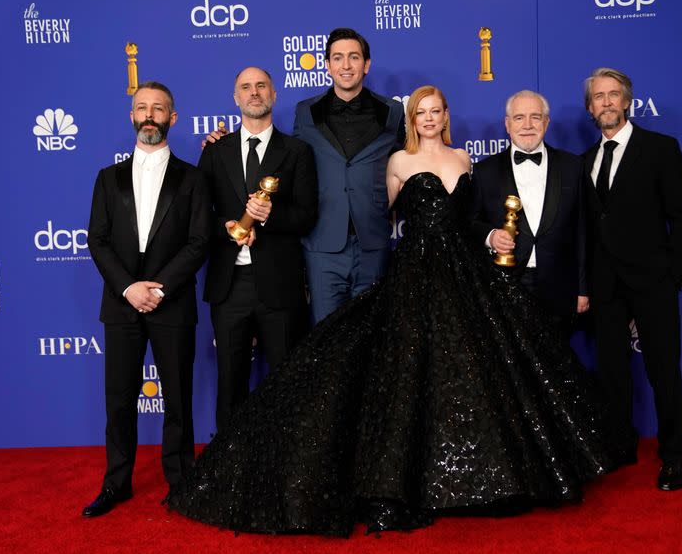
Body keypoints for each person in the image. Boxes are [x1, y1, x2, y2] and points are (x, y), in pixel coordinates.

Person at [166, 85, 628, 536]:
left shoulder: (467, 161)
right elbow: (376, 218)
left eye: (436, 110)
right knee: (407, 375)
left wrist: (487, 237)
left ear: (446, 116)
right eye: (421, 111)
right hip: (414, 273)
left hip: (467, 275)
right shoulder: (397, 162)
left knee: (475, 370)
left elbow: (472, 222)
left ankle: (488, 479)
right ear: (413, 118)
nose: (429, 117)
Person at [83, 81, 211, 517]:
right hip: (121, 304)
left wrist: (158, 287)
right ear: (132, 117)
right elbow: (96, 240)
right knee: (118, 399)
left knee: (178, 397)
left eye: (159, 108)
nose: (150, 115)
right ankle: (116, 483)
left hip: (171, 302)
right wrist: (128, 288)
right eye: (142, 108)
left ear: (173, 119)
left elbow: (199, 242)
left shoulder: (193, 178)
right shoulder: (107, 178)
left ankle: (181, 483)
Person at [582, 67, 682, 491]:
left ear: (627, 101)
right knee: (612, 372)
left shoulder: (661, 149)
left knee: (663, 370)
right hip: (605, 285)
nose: (607, 102)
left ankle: (674, 456)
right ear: (590, 107)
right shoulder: (584, 161)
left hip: (652, 282)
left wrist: (674, 276)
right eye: (599, 97)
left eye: (614, 95)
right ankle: (619, 446)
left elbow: (680, 219)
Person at [199, 67, 318, 431]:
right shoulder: (214, 151)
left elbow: (307, 215)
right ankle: (228, 473)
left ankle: (284, 471)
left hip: (279, 284)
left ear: (274, 94)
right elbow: (200, 215)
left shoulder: (298, 151)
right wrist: (226, 228)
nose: (254, 93)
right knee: (230, 383)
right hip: (229, 283)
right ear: (235, 97)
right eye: (246, 87)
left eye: (261, 86)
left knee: (286, 384)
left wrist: (269, 216)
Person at [293, 27, 405, 324]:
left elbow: (410, 161)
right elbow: (286, 159)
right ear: (327, 65)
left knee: (372, 336)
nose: (346, 65)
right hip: (322, 244)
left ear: (366, 64)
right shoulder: (305, 112)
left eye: (354, 57)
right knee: (326, 337)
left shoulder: (392, 112)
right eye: (338, 58)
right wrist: (222, 144)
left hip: (373, 242)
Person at [470, 90, 588, 334]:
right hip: (506, 284)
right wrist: (491, 236)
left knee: (558, 365)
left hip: (560, 286)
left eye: (535, 117)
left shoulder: (573, 166)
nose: (527, 125)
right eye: (519, 117)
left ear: (546, 122)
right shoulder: (485, 171)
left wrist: (583, 288)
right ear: (507, 124)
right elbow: (469, 222)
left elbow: (583, 231)